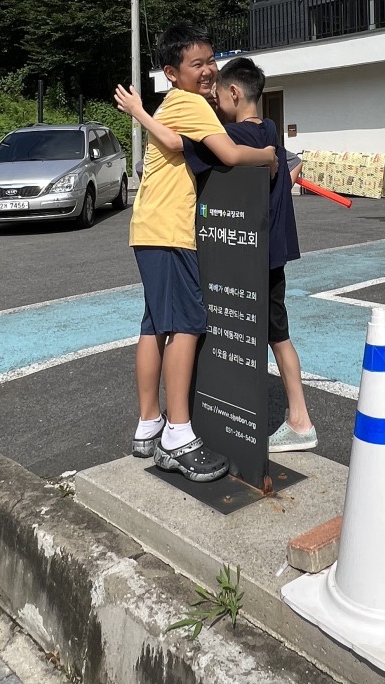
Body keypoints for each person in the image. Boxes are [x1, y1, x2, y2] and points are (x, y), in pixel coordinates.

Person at [120, 56, 317, 455]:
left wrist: (140, 113)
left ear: (234, 93)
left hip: (243, 257)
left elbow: (176, 145)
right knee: (277, 335)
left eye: (220, 94)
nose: (214, 101)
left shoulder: (230, 135)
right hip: (273, 252)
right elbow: (291, 165)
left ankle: (293, 421)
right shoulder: (269, 129)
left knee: (200, 327)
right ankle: (297, 414)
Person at [114, 22, 277, 484]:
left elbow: (171, 143)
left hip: (148, 229)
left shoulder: (170, 104)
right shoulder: (191, 104)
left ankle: (149, 424)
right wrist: (268, 155)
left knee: (155, 325)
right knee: (187, 325)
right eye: (197, 64)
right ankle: (178, 436)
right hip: (170, 231)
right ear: (172, 72)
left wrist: (139, 112)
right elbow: (230, 154)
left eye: (211, 60)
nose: (208, 71)